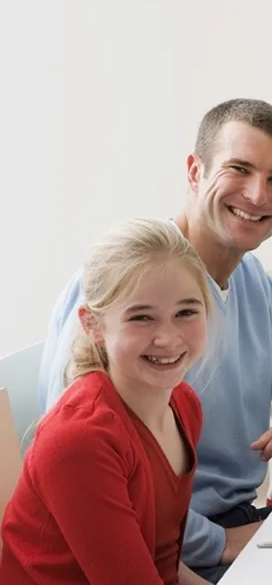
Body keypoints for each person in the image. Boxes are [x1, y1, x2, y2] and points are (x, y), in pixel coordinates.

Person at [36, 99, 272, 582]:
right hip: (160, 548)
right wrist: (219, 543)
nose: (258, 194)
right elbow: (91, 481)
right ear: (195, 170)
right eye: (239, 169)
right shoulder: (119, 284)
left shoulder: (251, 280)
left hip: (235, 526)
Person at [2, 219, 214, 584]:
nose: (167, 337)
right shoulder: (80, 441)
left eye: (186, 312)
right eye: (141, 317)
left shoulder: (183, 403)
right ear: (92, 325)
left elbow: (163, 560)